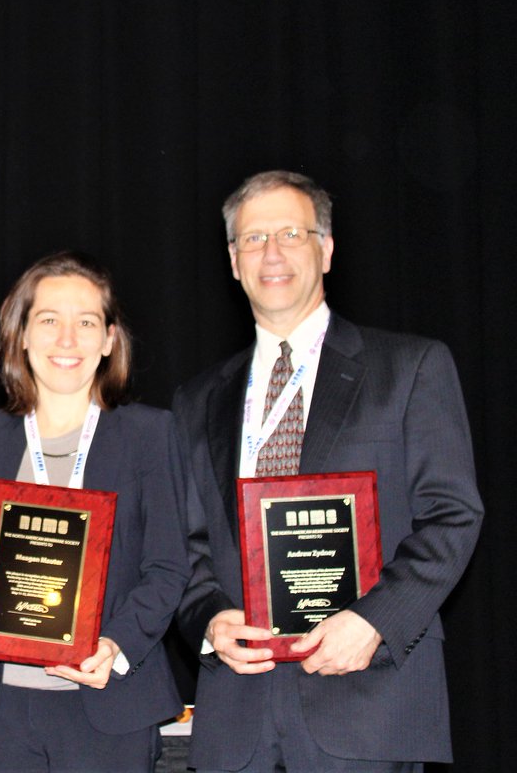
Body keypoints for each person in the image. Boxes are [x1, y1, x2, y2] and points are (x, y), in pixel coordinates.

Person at [173, 170, 483, 772]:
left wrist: (375, 621)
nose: (272, 253)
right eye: (253, 239)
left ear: (327, 249)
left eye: (291, 233)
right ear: (233, 261)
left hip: (367, 705)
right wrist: (209, 620)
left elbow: (453, 515)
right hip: (237, 721)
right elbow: (186, 544)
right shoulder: (198, 399)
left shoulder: (410, 368)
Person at [0, 251, 189, 772]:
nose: (68, 339)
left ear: (109, 340)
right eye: (49, 320)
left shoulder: (149, 434)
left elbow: (168, 568)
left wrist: (116, 646)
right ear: (22, 336)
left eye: (87, 322)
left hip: (108, 702)